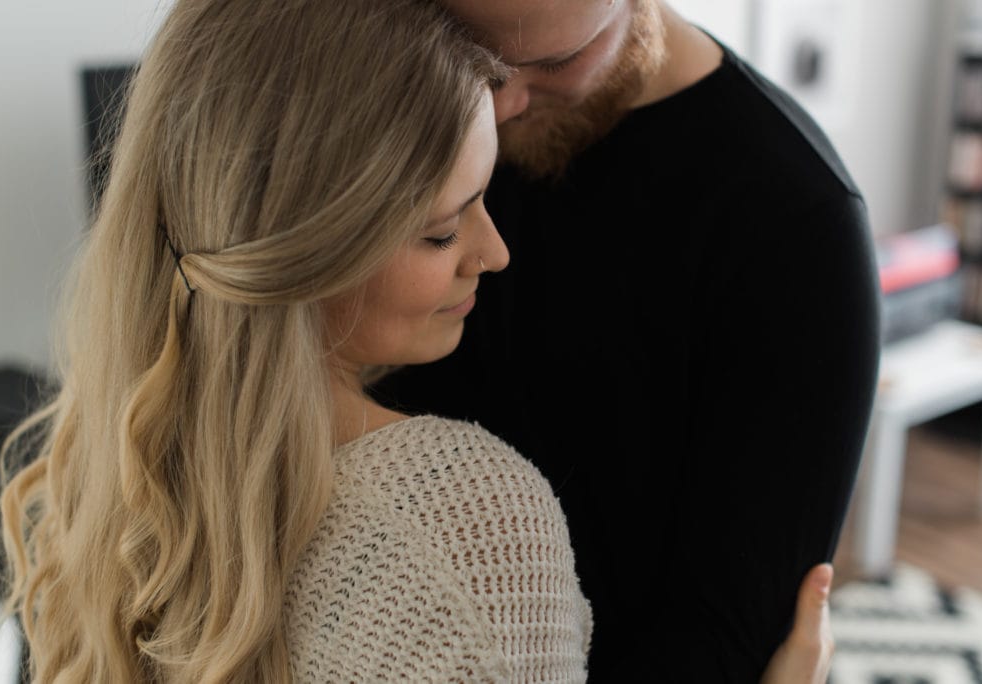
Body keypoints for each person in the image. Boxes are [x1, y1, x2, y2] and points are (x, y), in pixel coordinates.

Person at [0, 0, 834, 681]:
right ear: (311, 244)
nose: (496, 252)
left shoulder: (98, 473)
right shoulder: (471, 525)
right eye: (441, 231)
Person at [374, 0, 881, 681]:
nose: (499, 104)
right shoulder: (395, 113)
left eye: (553, 63)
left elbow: (723, 634)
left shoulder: (794, 221)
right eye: (476, 52)